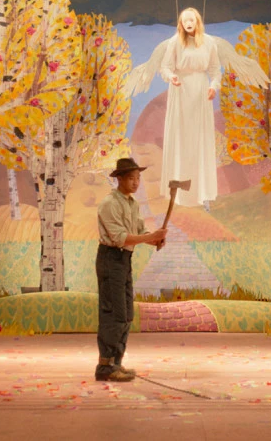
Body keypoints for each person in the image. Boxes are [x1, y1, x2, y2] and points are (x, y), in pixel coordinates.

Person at [95, 157, 167, 382]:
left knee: (126, 313)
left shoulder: (132, 204)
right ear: (119, 179)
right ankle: (105, 367)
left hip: (125, 259)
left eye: (138, 178)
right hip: (111, 258)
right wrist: (150, 236)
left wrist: (154, 239)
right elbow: (120, 237)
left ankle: (116, 362)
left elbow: (139, 231)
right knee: (114, 312)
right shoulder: (109, 204)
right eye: (131, 178)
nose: (136, 182)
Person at [159, 7, 221, 206]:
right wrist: (172, 77)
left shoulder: (209, 42)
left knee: (199, 138)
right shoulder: (175, 42)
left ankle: (201, 192)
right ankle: (179, 193)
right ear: (181, 23)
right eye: (184, 20)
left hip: (201, 93)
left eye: (191, 20)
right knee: (181, 137)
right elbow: (165, 67)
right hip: (181, 92)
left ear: (197, 22)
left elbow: (215, 70)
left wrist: (213, 86)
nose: (188, 23)